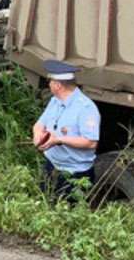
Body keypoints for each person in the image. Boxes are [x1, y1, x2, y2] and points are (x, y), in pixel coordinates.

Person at [32, 59, 101, 203]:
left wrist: (59, 139)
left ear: (57, 85)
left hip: (75, 174)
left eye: (50, 81)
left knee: (68, 213)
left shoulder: (86, 109)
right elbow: (39, 124)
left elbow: (90, 143)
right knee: (45, 205)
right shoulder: (55, 101)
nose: (48, 84)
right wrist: (37, 135)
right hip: (51, 166)